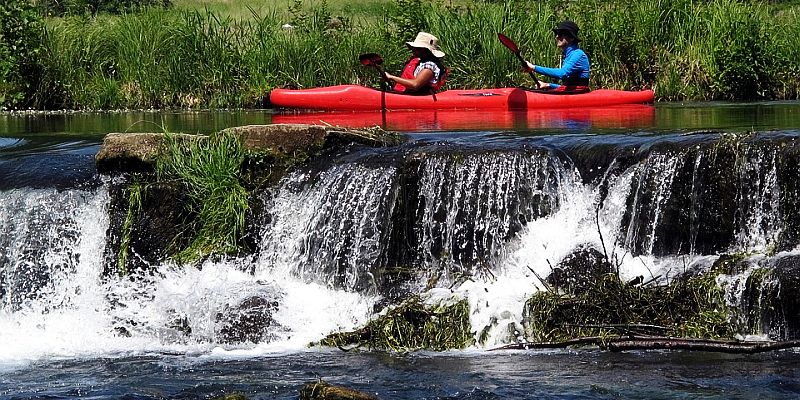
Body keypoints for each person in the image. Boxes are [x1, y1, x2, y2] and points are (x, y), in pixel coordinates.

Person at [524, 20, 590, 93]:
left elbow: (562, 73)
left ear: (572, 38)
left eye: (561, 34)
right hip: (572, 93)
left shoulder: (578, 55)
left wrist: (534, 68)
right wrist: (548, 85)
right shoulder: (568, 55)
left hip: (578, 94)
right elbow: (568, 87)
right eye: (557, 33)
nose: (557, 36)